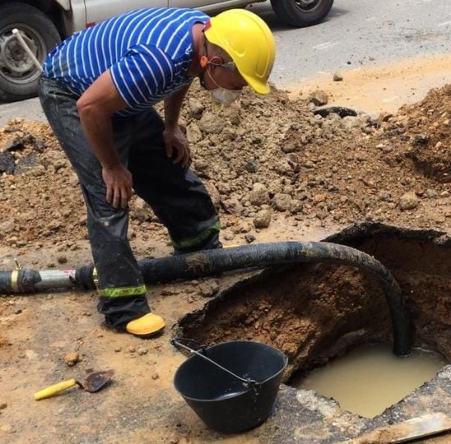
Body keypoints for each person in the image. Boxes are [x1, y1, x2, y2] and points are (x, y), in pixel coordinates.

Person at [38, 7, 276, 338]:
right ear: (218, 61)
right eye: (238, 83)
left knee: (166, 163)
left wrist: (171, 126)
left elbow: (183, 76)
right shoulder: (158, 58)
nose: (238, 92)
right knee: (110, 194)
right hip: (74, 92)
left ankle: (199, 247)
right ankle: (123, 307)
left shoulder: (201, 42)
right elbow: (91, 107)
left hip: (116, 91)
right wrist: (112, 166)